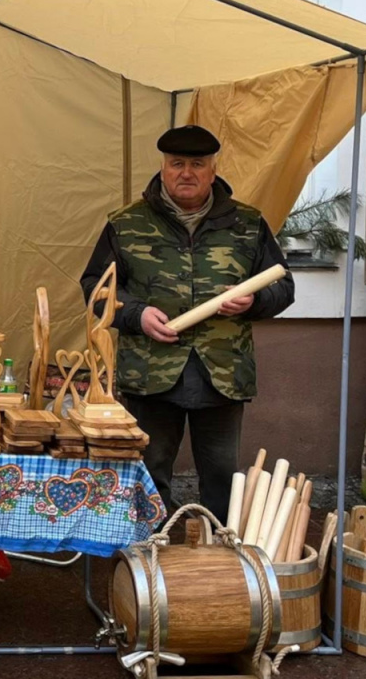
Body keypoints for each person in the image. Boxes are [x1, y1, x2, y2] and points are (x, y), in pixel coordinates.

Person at [80, 124, 294, 525]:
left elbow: (283, 287)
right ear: (163, 168)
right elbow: (95, 288)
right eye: (177, 163)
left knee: (221, 478)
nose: (186, 173)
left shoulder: (247, 224)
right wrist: (136, 314)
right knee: (149, 472)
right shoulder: (127, 224)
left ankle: (215, 564)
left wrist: (254, 301)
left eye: (198, 164)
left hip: (222, 374)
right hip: (150, 373)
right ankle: (147, 564)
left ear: (213, 171)